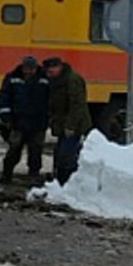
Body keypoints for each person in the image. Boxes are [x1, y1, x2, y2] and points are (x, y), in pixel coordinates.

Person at [0, 56, 49, 184]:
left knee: (35, 151)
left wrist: (47, 118)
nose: (29, 72)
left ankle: (34, 175)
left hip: (37, 122)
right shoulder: (12, 78)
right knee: (14, 150)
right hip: (17, 122)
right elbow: (5, 97)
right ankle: (6, 175)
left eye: (32, 69)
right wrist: (6, 117)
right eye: (27, 69)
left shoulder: (45, 80)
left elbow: (49, 100)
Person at [44, 56, 91, 184]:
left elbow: (77, 105)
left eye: (51, 71)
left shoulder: (72, 80)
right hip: (63, 124)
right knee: (60, 152)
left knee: (67, 154)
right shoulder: (58, 80)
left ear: (59, 67)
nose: (49, 74)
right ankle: (60, 178)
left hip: (73, 126)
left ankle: (67, 181)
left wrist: (70, 126)